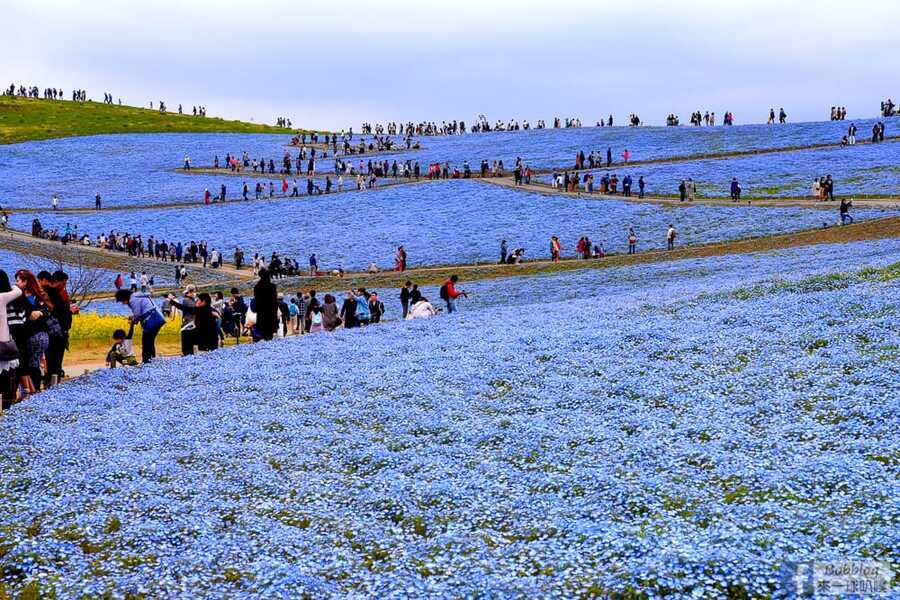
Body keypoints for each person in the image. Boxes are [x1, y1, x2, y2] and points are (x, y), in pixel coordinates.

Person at [252, 268, 278, 342]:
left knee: (262, 331)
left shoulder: (257, 287)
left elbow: (256, 300)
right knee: (269, 334)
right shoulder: (272, 287)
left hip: (261, 312)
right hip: (271, 312)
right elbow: (274, 301)